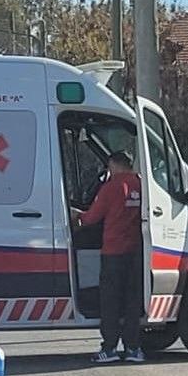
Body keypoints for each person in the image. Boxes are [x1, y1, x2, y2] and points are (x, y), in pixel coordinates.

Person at [72, 151, 144, 364]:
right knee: (132, 301)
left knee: (110, 301)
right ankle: (133, 348)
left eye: (110, 167)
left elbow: (93, 216)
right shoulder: (141, 185)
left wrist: (78, 216)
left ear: (115, 164)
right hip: (135, 252)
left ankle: (110, 348)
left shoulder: (111, 188)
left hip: (113, 252)